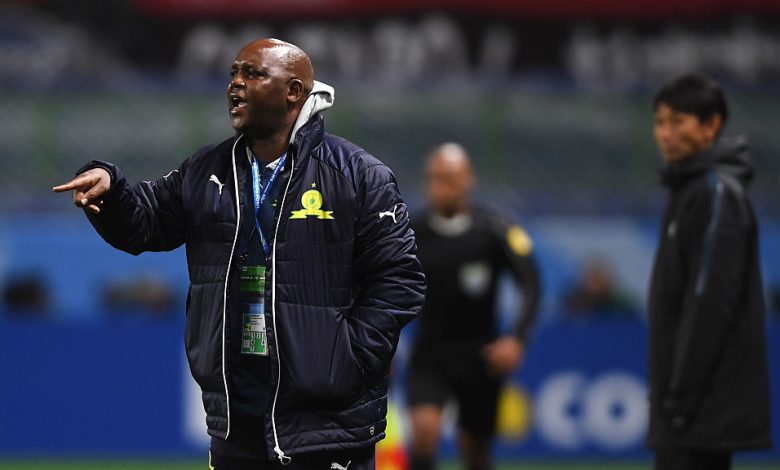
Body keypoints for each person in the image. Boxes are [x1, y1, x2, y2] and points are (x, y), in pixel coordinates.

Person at [53, 38, 426, 470]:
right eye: (233, 73)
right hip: (236, 415)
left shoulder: (358, 175)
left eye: (253, 74)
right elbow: (145, 224)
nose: (236, 84)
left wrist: (348, 359)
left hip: (326, 421)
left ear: (294, 91)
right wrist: (112, 190)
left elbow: (400, 280)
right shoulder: (206, 169)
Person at [647, 72, 771, 470]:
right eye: (659, 122)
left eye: (677, 122)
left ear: (711, 126)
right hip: (686, 404)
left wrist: (681, 395)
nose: (665, 133)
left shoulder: (716, 193)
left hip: (700, 408)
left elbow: (709, 303)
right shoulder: (688, 189)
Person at [406, 143, 540, 470]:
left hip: (481, 356)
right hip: (430, 353)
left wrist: (516, 338)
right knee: (424, 431)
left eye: (451, 177)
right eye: (435, 177)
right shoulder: (411, 231)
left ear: (468, 180)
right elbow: (380, 284)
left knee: (475, 448)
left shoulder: (495, 230)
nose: (443, 185)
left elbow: (531, 284)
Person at [563, 257, 639, 320]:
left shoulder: (622, 303)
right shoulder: (573, 303)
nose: (595, 284)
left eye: (599, 278)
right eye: (591, 278)